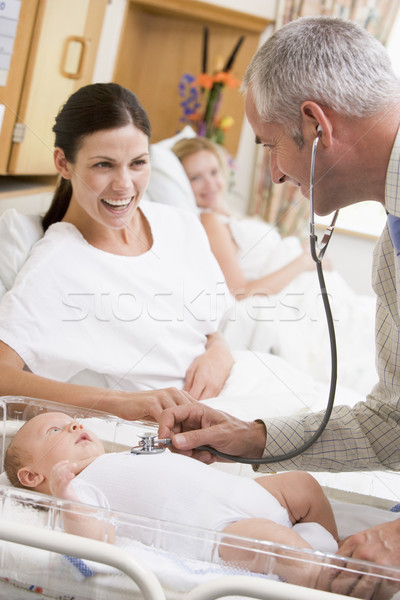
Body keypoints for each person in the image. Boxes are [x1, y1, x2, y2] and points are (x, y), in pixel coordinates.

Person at [157, 15, 400, 595]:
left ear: (316, 125)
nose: (272, 172)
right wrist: (256, 437)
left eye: (269, 144)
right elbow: (393, 422)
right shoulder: (391, 244)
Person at [0, 82, 236, 422]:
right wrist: (123, 403)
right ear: (63, 163)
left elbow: (210, 326)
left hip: (235, 390)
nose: (124, 184)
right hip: (184, 421)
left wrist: (219, 352)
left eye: (137, 163)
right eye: (103, 165)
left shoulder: (180, 225)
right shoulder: (58, 262)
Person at [5, 411, 339, 586]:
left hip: (245, 494)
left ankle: (335, 548)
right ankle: (328, 582)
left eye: (72, 422)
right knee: (277, 543)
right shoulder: (81, 487)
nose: (74, 426)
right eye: (55, 431)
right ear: (33, 476)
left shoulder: (118, 457)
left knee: (303, 484)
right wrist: (67, 496)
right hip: (224, 530)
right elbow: (96, 540)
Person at [172, 136, 376, 394]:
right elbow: (241, 291)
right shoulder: (209, 222)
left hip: (308, 282)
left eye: (213, 171)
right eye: (196, 177)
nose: (210, 183)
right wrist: (303, 262)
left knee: (365, 326)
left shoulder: (230, 214)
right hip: (294, 287)